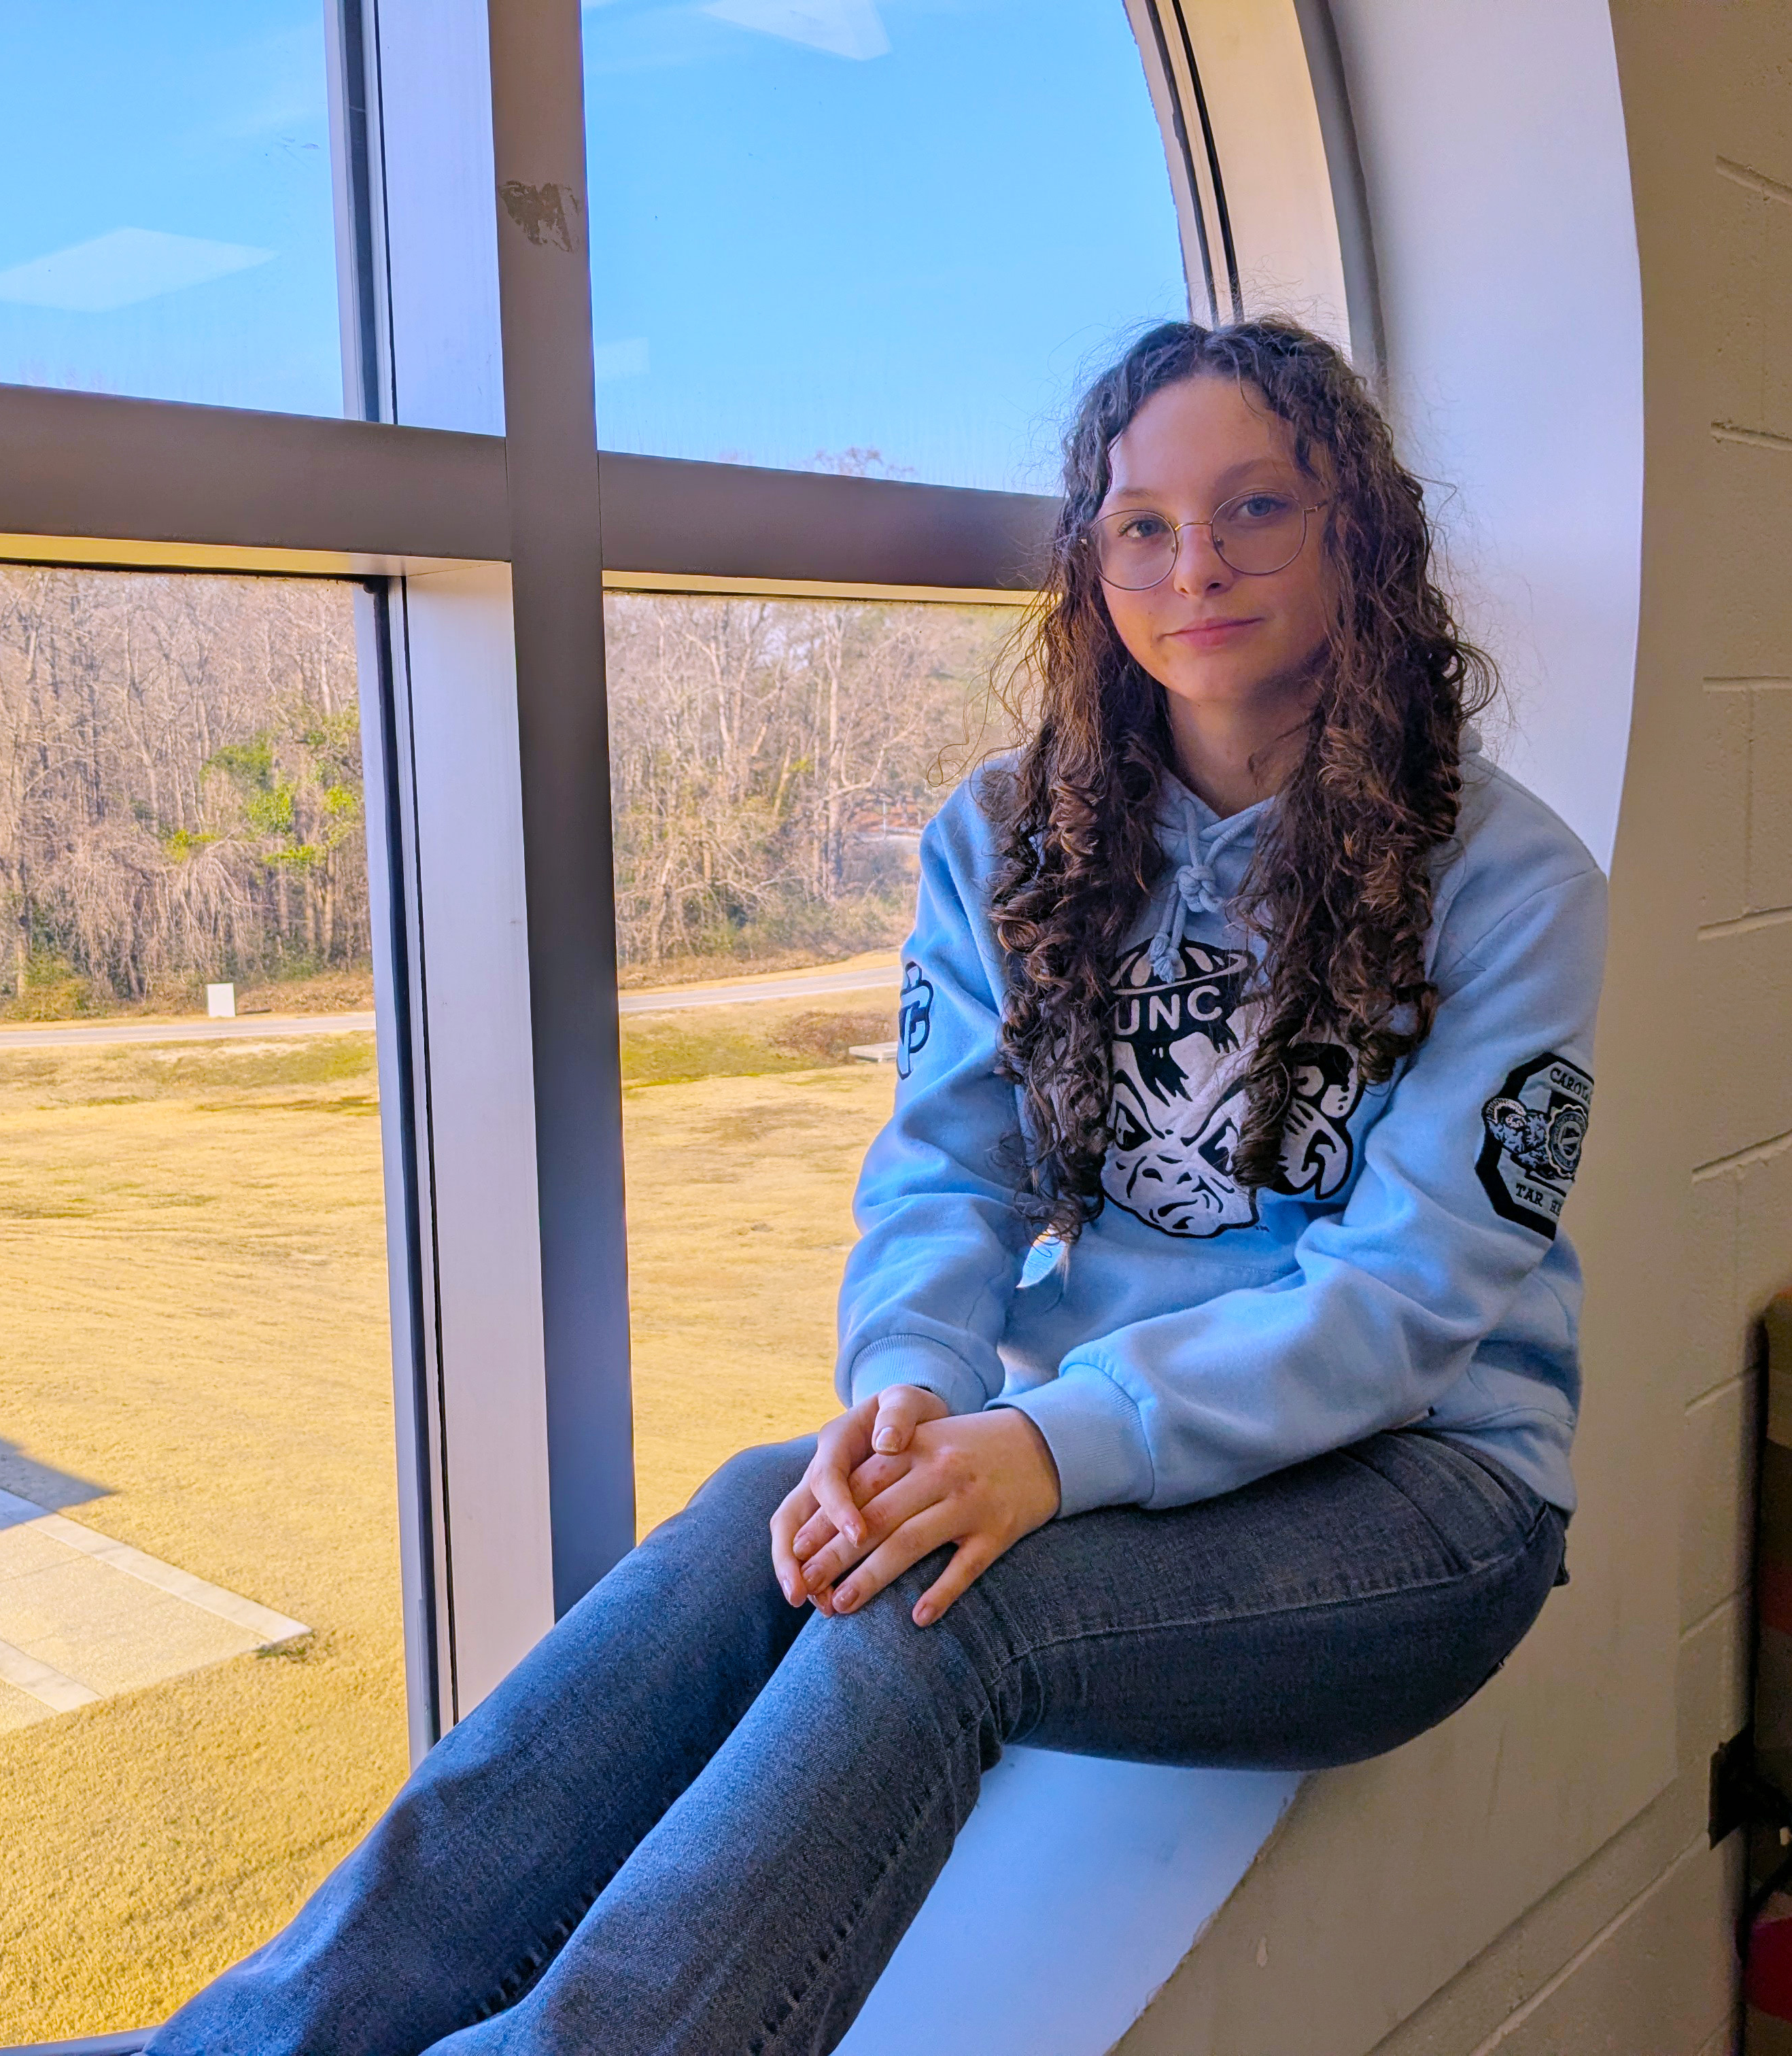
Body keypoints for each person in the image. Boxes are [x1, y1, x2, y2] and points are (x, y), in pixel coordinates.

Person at [151, 318, 1603, 2056]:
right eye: (1142, 525)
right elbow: (948, 1173)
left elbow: (1405, 1302)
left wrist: (1046, 1446)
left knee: (933, 1615)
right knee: (761, 1518)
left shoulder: (1508, 880)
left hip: (1422, 1491)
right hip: (1091, 1432)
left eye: (1257, 509)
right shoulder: (1007, 838)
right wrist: (911, 1390)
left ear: (1357, 531)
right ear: (1092, 567)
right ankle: (257, 2039)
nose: (1195, 566)